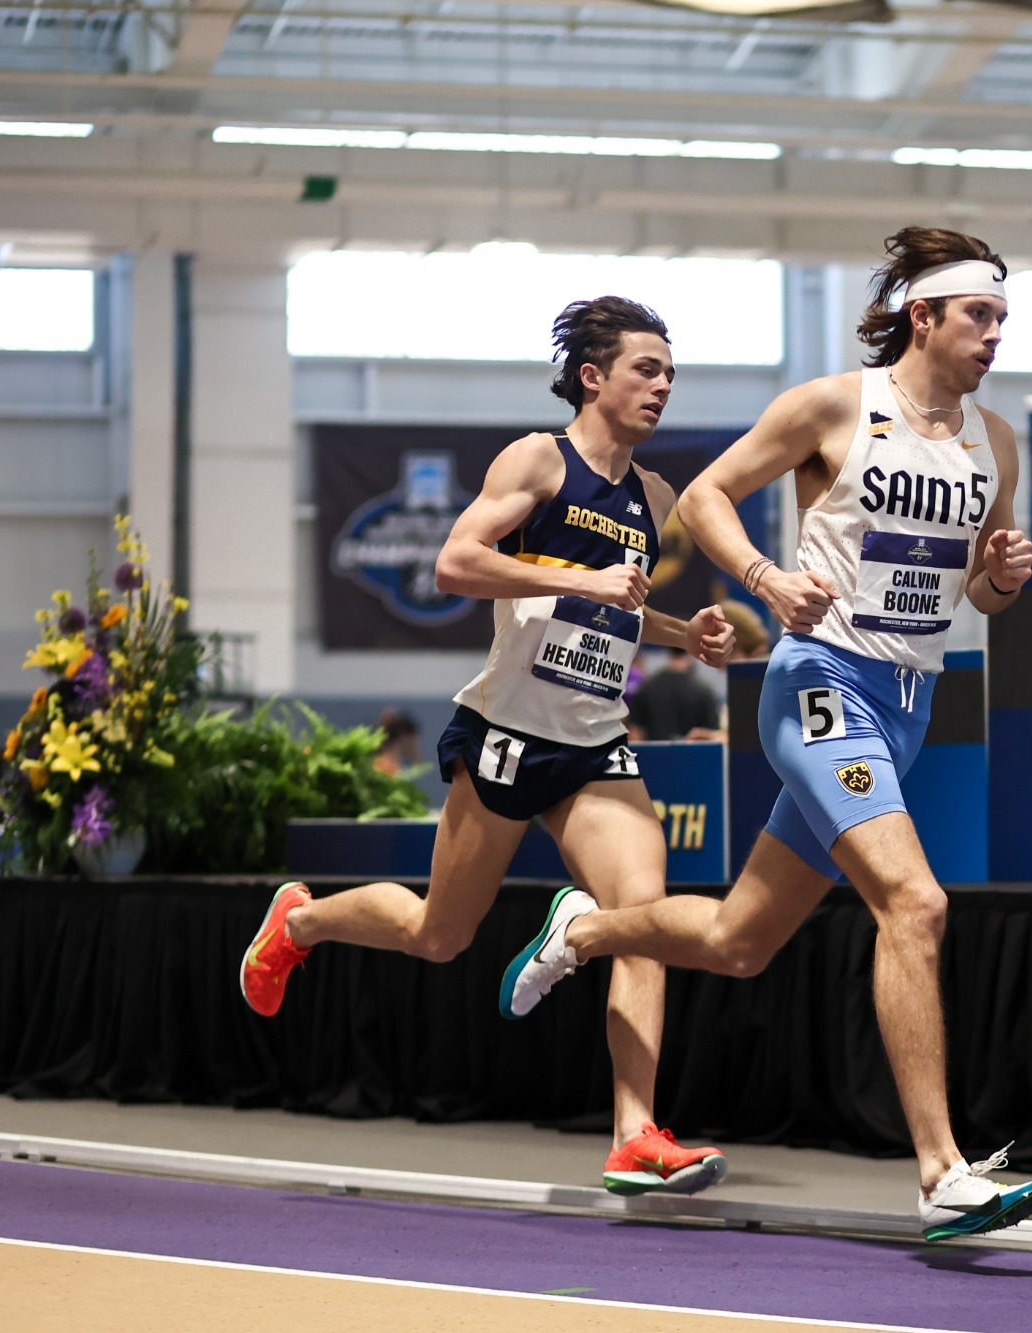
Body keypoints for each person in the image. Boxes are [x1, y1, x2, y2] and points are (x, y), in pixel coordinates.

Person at [503, 227, 1032, 1242]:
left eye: (1002, 318)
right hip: (820, 682)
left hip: (908, 703)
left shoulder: (995, 441)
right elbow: (705, 495)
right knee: (915, 902)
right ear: (923, 315)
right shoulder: (833, 405)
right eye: (978, 314)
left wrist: (1002, 576)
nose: (994, 334)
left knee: (737, 943)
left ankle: (581, 932)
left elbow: (982, 588)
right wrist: (765, 578)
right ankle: (941, 1171)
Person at [239, 297, 737, 1196]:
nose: (663, 385)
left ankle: (634, 1134)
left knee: (642, 916)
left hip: (595, 742)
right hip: (509, 732)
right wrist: (581, 576)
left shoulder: (654, 495)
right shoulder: (538, 460)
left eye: (671, 372)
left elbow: (613, 606)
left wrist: (680, 632)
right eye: (646, 369)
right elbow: (456, 565)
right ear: (593, 376)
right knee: (439, 933)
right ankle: (300, 921)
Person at [628, 649, 722, 741]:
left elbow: (635, 734)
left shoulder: (647, 687)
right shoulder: (704, 691)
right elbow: (712, 737)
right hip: (692, 751)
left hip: (655, 751)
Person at [372, 707, 421, 777]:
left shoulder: (392, 766)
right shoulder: (385, 768)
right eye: (413, 740)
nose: (416, 746)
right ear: (404, 737)